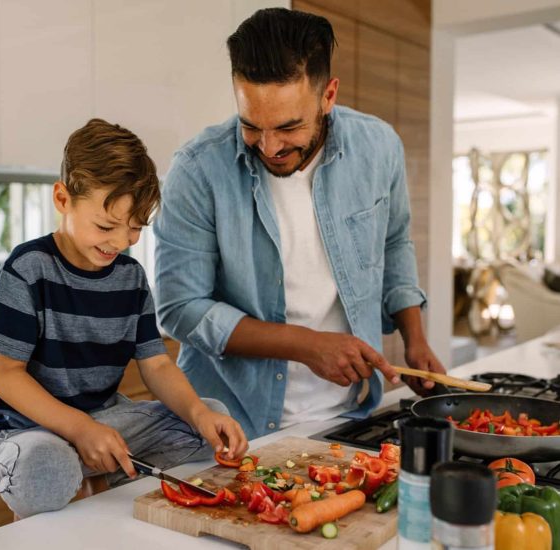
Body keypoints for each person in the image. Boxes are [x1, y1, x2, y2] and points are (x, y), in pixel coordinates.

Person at [154, 8, 445, 440]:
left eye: (289, 127)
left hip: (349, 417)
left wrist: (414, 337)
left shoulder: (379, 147)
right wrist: (305, 344)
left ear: (328, 96)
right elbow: (180, 309)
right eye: (251, 125)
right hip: (229, 425)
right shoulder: (197, 170)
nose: (269, 147)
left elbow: (394, 241)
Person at [0, 118, 247, 519]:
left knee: (208, 421)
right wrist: (80, 430)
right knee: (47, 466)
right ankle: (79, 476)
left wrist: (199, 413)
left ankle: (89, 477)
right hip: (25, 431)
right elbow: (7, 375)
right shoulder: (28, 268)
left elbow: (155, 364)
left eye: (135, 228)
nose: (120, 242)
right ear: (63, 199)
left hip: (102, 419)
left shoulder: (130, 277)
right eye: (106, 225)